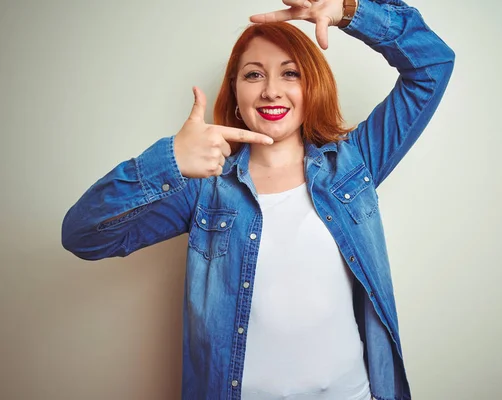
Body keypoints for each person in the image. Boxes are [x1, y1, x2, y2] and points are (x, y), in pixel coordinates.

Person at [62, 0, 455, 398]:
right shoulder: (205, 188)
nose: (271, 90)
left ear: (311, 86)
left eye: (290, 73)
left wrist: (351, 10)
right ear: (234, 92)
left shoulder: (354, 163)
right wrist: (168, 162)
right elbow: (84, 236)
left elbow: (432, 65)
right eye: (253, 75)